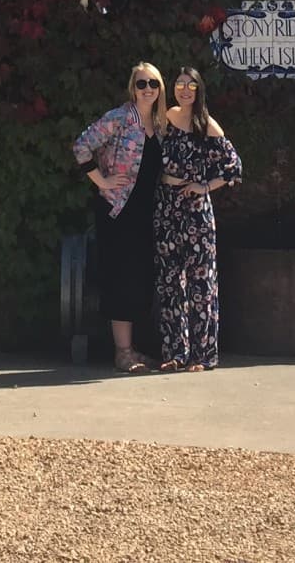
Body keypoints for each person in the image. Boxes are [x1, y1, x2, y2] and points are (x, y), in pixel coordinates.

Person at [73, 61, 167, 372]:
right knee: (121, 279)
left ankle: (132, 349)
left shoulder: (160, 123)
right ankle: (122, 352)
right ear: (132, 87)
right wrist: (101, 181)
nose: (148, 89)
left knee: (140, 280)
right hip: (118, 210)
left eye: (153, 83)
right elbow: (82, 146)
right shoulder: (120, 118)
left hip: (145, 213)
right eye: (142, 84)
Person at [154, 67, 243, 373]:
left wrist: (205, 186)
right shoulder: (165, 117)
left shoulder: (205, 123)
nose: (185, 89)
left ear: (199, 90)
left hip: (195, 210)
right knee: (170, 282)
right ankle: (176, 352)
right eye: (180, 84)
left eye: (191, 85)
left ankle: (203, 356)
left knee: (200, 283)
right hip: (167, 208)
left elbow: (233, 167)